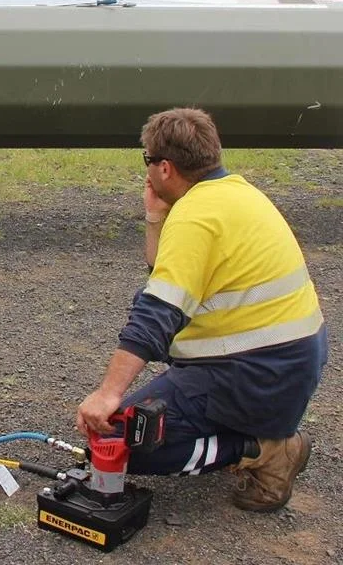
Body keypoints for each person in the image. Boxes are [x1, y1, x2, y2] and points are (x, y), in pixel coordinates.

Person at [76, 108, 327, 512]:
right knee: (130, 418)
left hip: (254, 374)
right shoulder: (235, 192)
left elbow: (156, 315)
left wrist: (107, 394)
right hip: (284, 364)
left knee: (119, 444)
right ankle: (246, 430)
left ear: (165, 167)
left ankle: (266, 449)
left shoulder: (196, 217)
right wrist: (155, 216)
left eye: (147, 161)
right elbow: (165, 282)